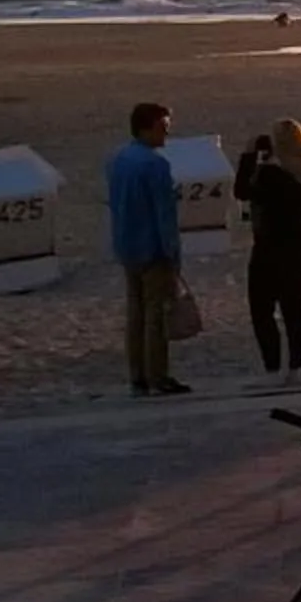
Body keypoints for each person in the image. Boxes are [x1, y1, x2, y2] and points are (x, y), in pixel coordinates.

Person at [106, 102, 189, 397]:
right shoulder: (155, 165)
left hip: (127, 245)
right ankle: (158, 376)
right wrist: (173, 253)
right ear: (146, 127)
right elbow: (164, 215)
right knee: (156, 316)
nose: (166, 133)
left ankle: (138, 375)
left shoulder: (118, 158)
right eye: (162, 127)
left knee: (136, 313)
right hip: (152, 249)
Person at [234, 118, 301, 386]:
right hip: (299, 244)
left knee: (262, 309)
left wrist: (249, 154)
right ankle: (297, 368)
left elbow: (241, 191)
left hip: (270, 246)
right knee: (294, 308)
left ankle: (272, 369)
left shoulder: (270, 173)